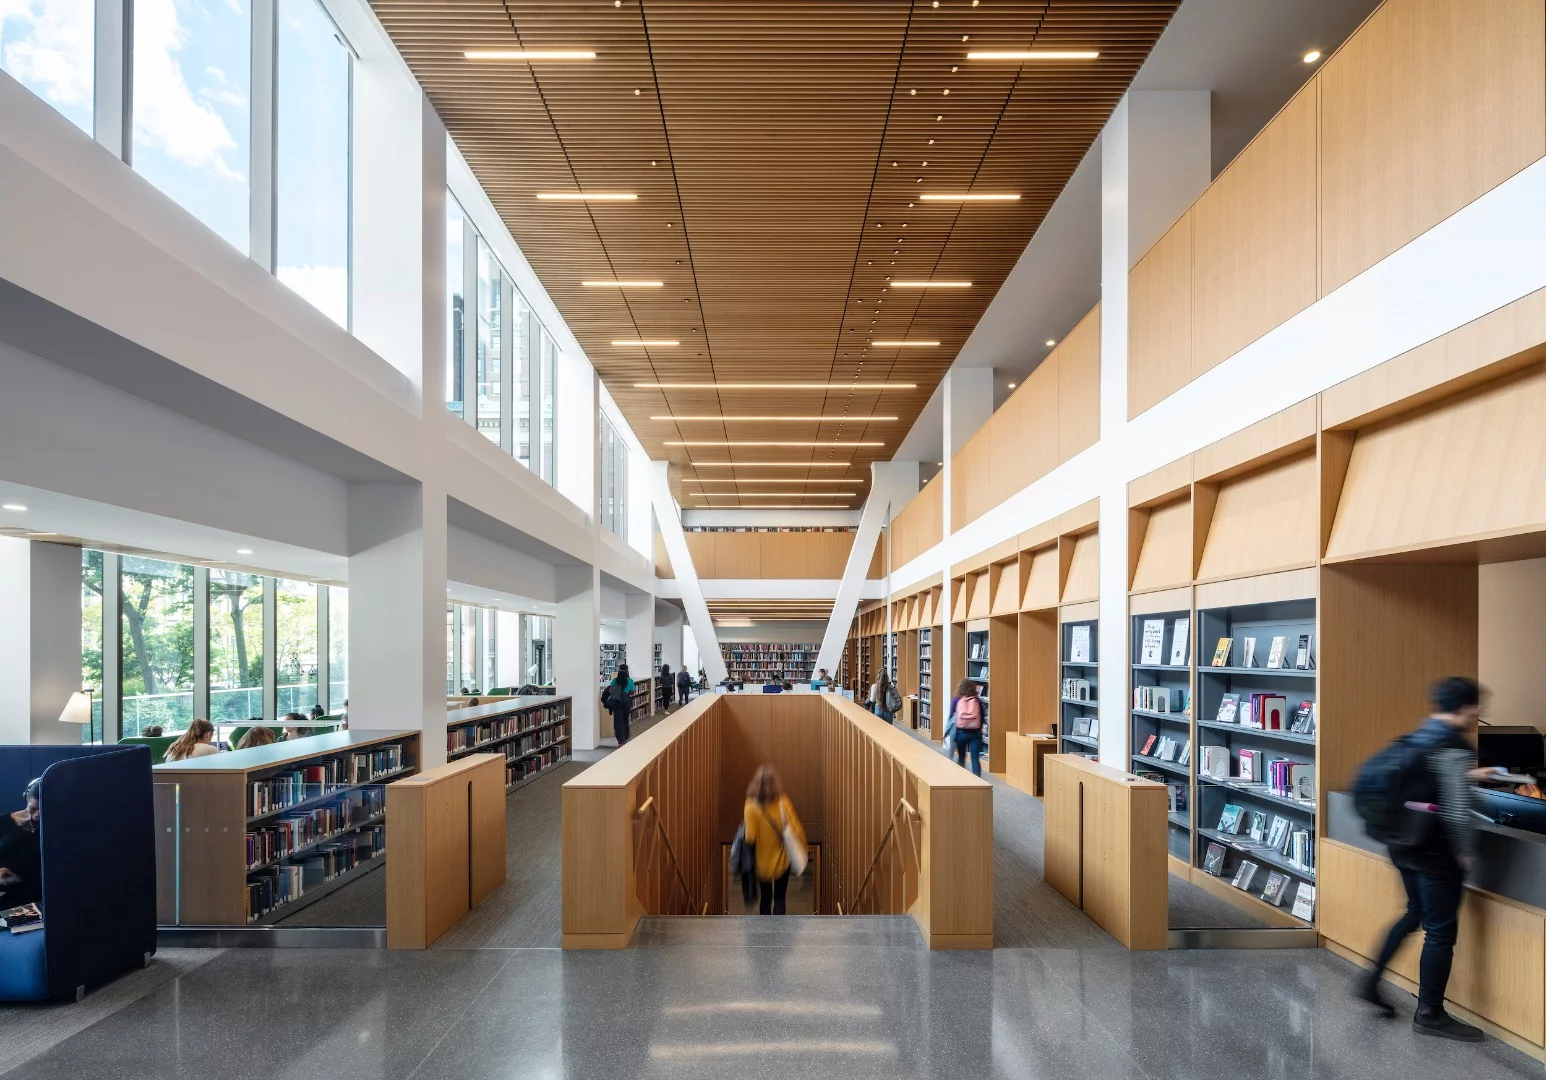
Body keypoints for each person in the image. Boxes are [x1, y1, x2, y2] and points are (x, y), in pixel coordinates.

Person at [1359, 676, 1486, 1041]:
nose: (1479, 713)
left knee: (1415, 911)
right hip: (1435, 850)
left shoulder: (1422, 734)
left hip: (1402, 843)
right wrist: (1464, 851)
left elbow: (1434, 781)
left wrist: (1469, 775)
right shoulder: (1456, 745)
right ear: (1467, 707)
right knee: (1441, 930)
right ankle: (1430, 1012)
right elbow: (1459, 811)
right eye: (1477, 706)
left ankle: (1371, 979)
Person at [742, 765, 806, 916]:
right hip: (782, 861)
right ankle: (780, 932)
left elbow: (750, 838)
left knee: (765, 898)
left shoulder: (750, 806)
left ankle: (766, 935)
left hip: (761, 863)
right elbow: (796, 828)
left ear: (756, 783)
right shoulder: (783, 802)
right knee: (779, 898)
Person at [0, 778, 42, 909]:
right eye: (33, 808)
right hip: (6, 898)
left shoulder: (57, 829)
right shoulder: (3, 822)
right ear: (26, 799)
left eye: (43, 809)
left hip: (38, 898)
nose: (37, 815)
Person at [948, 679, 986, 776]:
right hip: (975, 732)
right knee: (975, 758)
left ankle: (961, 779)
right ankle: (977, 781)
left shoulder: (957, 700)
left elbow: (951, 716)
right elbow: (982, 717)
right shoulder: (977, 700)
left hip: (961, 732)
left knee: (961, 756)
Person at [603, 664, 635, 745]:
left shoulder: (615, 680)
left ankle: (620, 740)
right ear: (627, 671)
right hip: (626, 701)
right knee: (625, 719)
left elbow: (611, 690)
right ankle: (626, 736)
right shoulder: (630, 680)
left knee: (618, 721)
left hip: (617, 701)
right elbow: (632, 692)